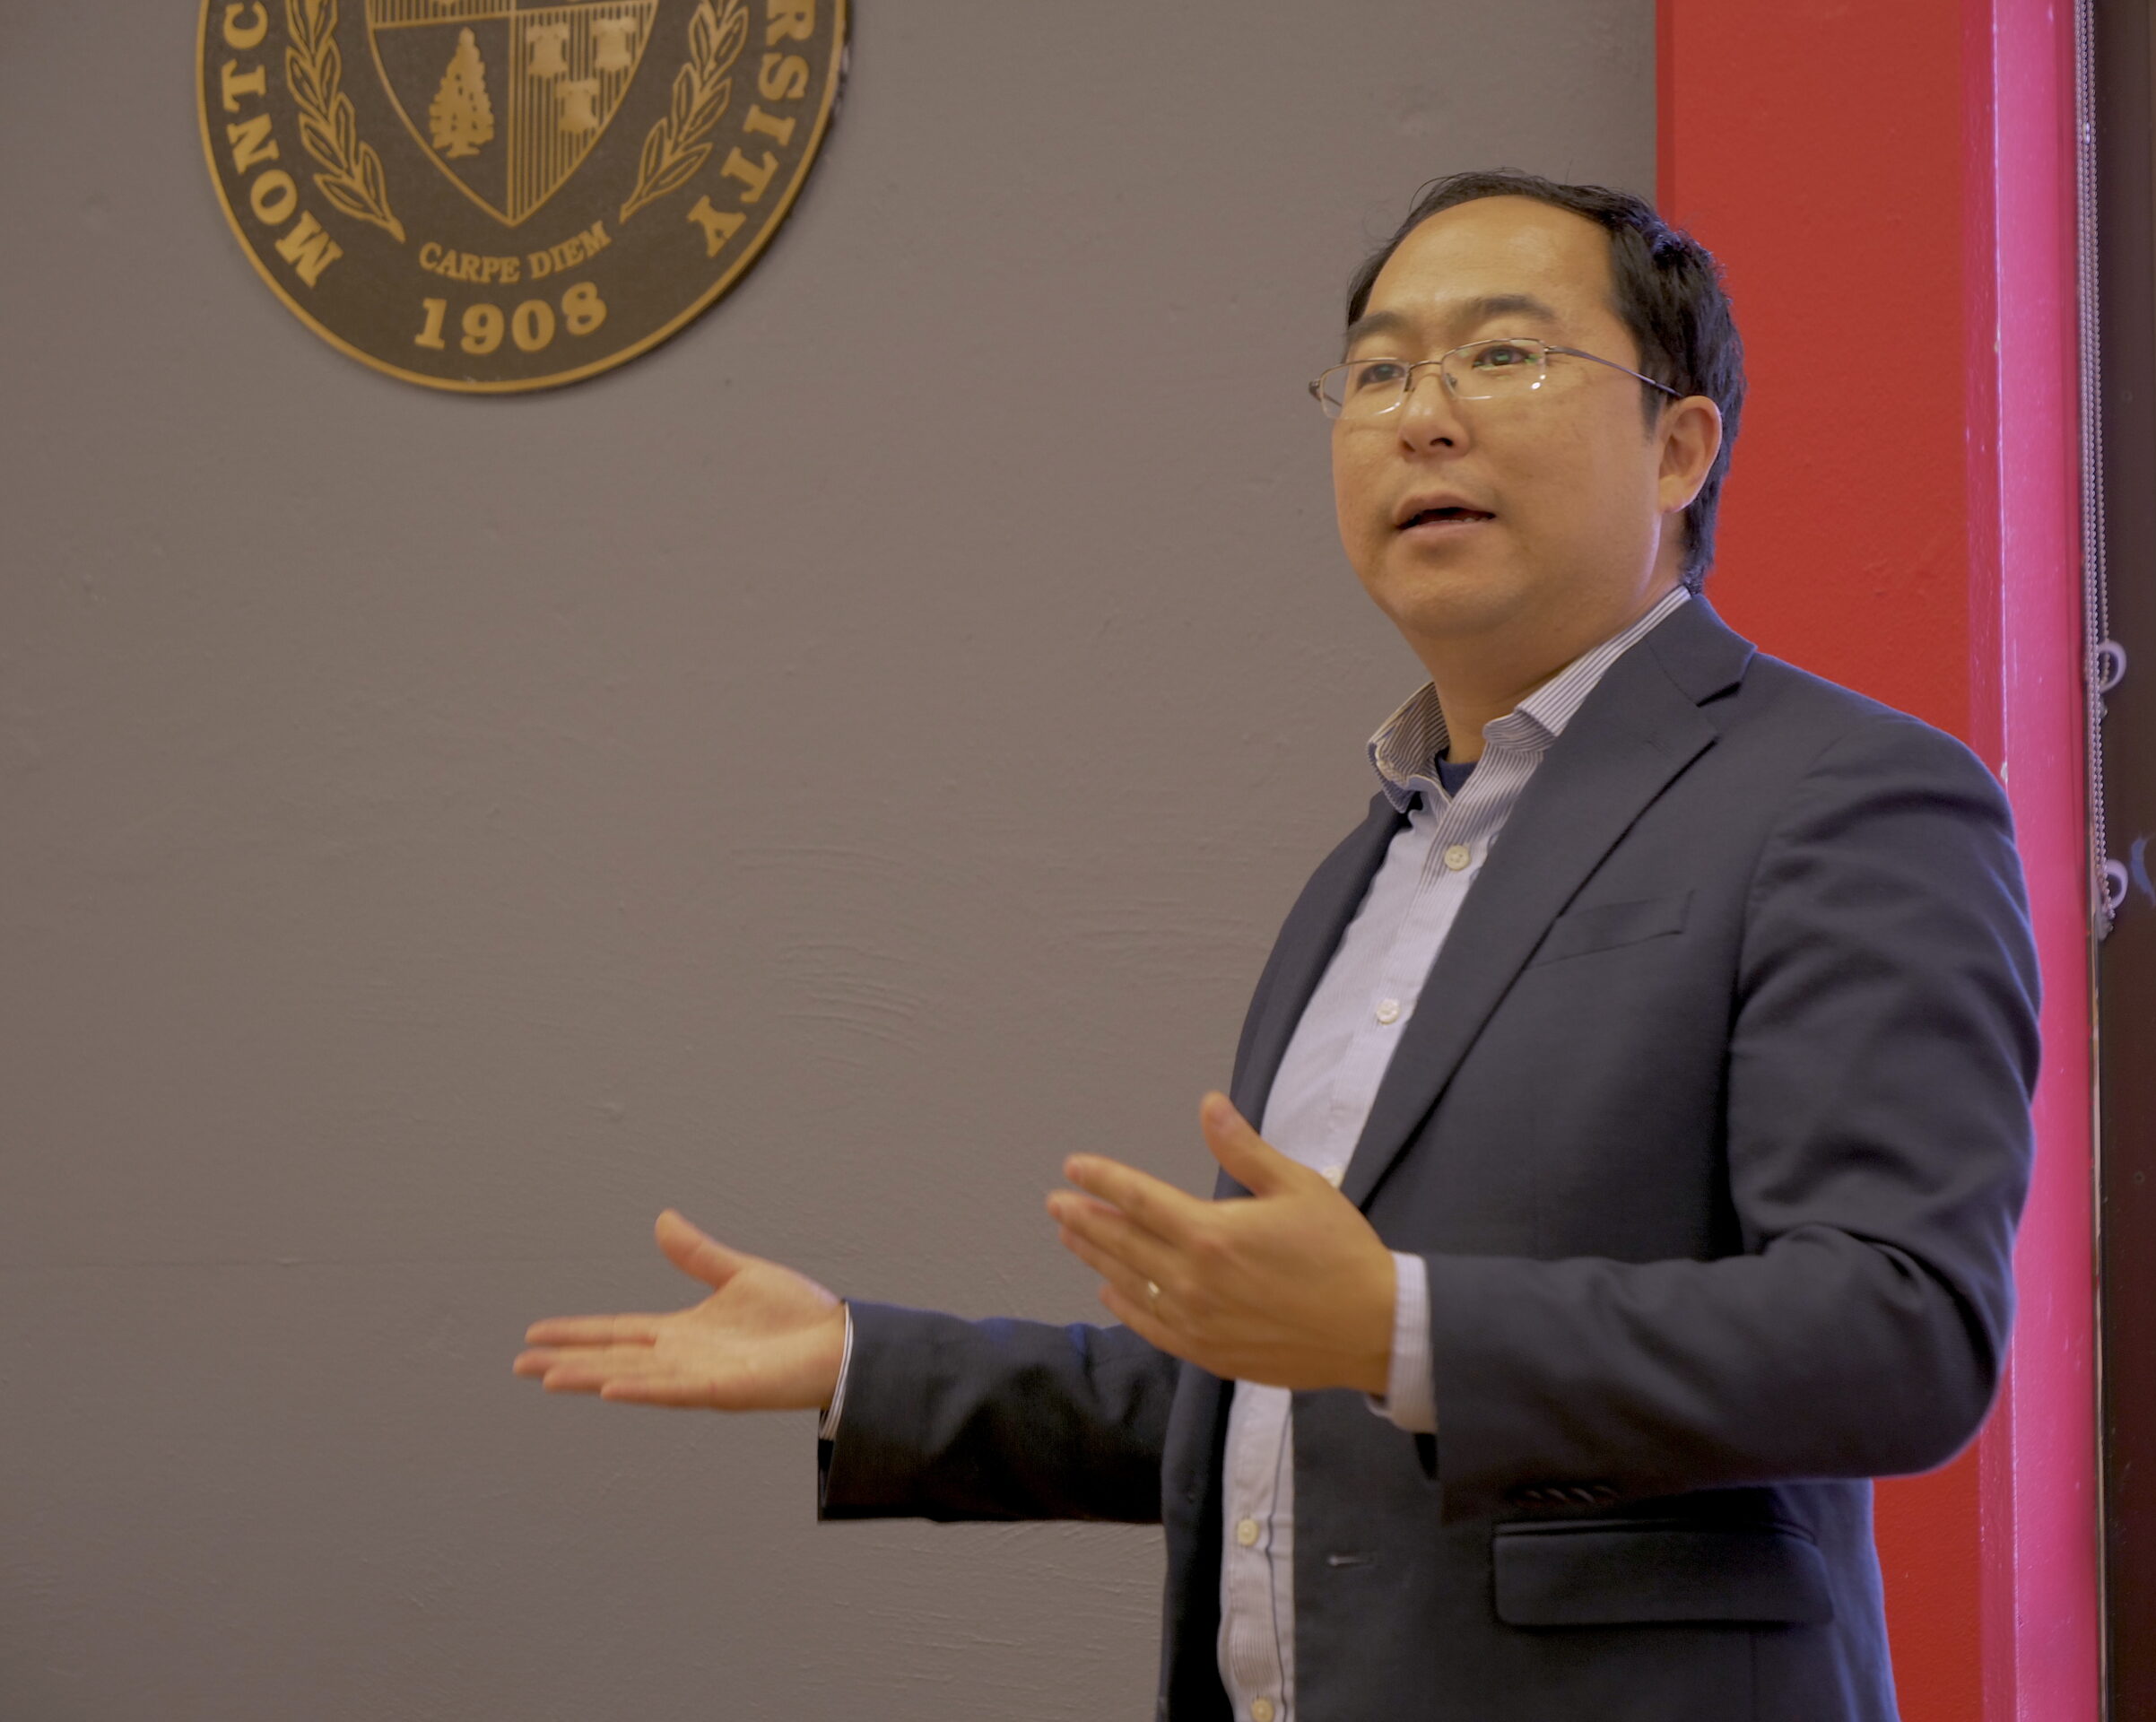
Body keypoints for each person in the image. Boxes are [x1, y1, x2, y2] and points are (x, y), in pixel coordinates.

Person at [513, 171, 2039, 1722]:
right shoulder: (1372, 865)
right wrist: (861, 1361)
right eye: (1378, 372)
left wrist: (1400, 1327)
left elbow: (1901, 1330)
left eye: (1504, 356)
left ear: (1680, 444)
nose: (1421, 417)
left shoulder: (1845, 795)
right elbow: (1264, 1389)